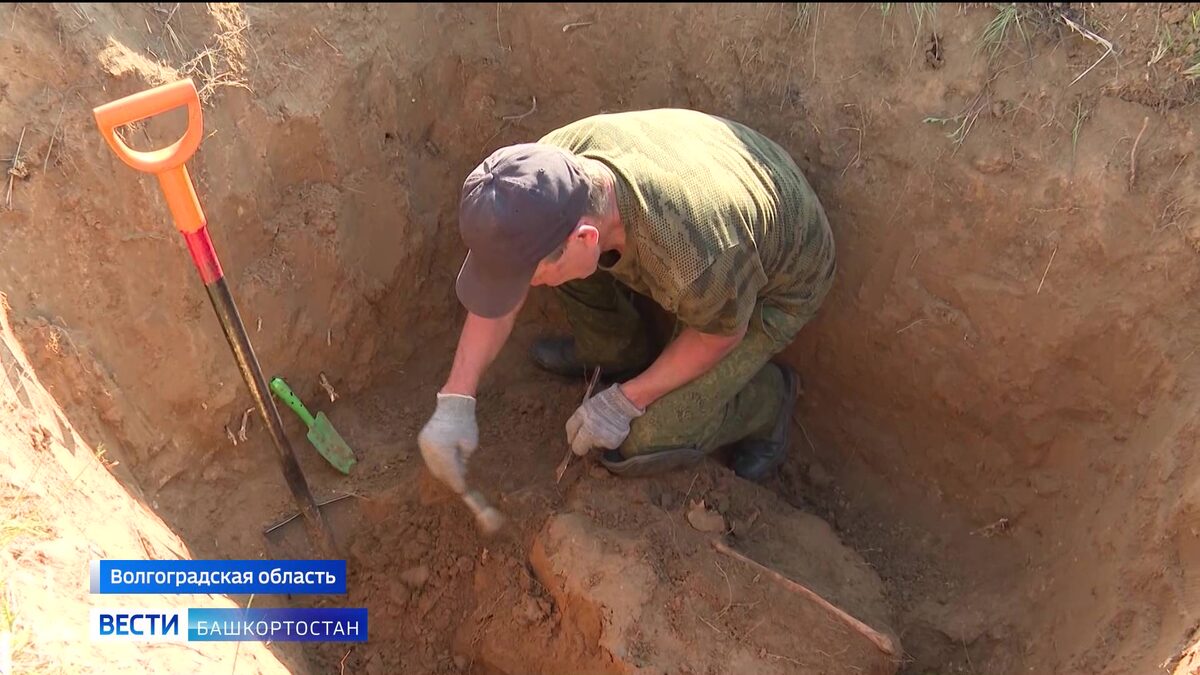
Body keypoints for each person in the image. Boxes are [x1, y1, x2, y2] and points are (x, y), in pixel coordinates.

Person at [417, 108, 835, 497]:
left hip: (771, 287)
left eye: (530, 279)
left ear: (585, 239)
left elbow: (719, 335)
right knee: (559, 272)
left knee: (643, 442)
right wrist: (456, 398)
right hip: (714, 203)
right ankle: (618, 350)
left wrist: (627, 399)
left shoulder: (697, 258)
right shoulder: (541, 178)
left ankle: (769, 400)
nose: (527, 290)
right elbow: (502, 282)